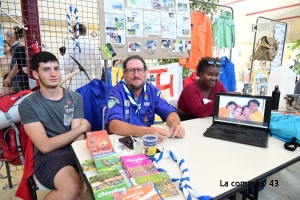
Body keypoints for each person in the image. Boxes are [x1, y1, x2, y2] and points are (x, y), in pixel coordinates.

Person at [18, 51, 90, 199]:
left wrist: (81, 160)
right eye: (46, 69)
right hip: (48, 157)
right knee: (72, 187)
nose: (53, 74)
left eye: (56, 68)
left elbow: (78, 137)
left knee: (99, 180)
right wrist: (82, 128)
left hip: (74, 150)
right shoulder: (28, 105)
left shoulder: (75, 98)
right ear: (36, 74)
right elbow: (45, 146)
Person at [105, 55, 185, 143]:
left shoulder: (152, 91)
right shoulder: (116, 92)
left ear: (145, 73)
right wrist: (147, 132)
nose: (136, 75)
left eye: (140, 70)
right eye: (131, 71)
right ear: (124, 74)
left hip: (147, 142)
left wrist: (176, 125)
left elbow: (169, 112)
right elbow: (113, 125)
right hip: (122, 142)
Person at [63, 23, 103, 91]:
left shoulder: (72, 43)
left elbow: (66, 65)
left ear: (76, 31)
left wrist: (68, 72)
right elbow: (99, 67)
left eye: (73, 32)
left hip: (77, 82)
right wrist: (97, 81)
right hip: (91, 81)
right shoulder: (94, 46)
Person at [3, 26, 29, 92]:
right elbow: (18, 64)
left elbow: (22, 67)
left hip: (22, 79)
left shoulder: (20, 48)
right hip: (19, 79)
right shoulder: (20, 47)